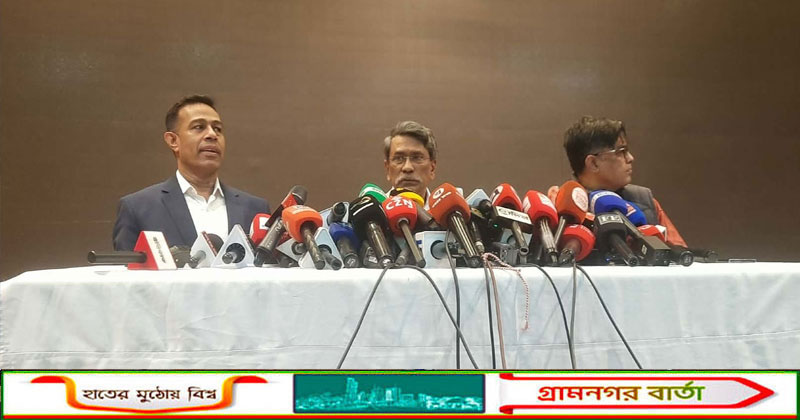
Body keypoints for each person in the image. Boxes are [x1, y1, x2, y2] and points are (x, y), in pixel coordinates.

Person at [112, 95, 269, 251]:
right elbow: (127, 267)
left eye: (218, 129)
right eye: (199, 127)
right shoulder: (138, 208)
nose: (212, 135)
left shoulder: (255, 209)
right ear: (173, 141)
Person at [551, 116, 687, 247]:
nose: (630, 158)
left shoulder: (645, 200)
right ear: (593, 163)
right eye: (621, 152)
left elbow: (681, 255)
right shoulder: (560, 206)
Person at [383, 121, 438, 201]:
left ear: (432, 168)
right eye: (399, 158)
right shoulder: (375, 208)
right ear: (388, 169)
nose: (407, 168)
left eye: (417, 158)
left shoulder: (447, 209)